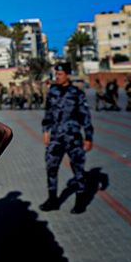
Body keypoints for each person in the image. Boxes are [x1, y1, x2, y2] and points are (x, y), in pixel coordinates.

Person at [40, 63, 93, 213]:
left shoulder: (76, 93)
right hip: (56, 136)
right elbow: (48, 113)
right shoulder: (52, 91)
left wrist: (88, 137)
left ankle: (80, 202)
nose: (57, 77)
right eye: (56, 74)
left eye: (60, 74)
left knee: (78, 169)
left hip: (73, 137)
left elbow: (85, 115)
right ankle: (53, 200)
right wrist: (45, 131)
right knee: (51, 167)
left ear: (68, 75)